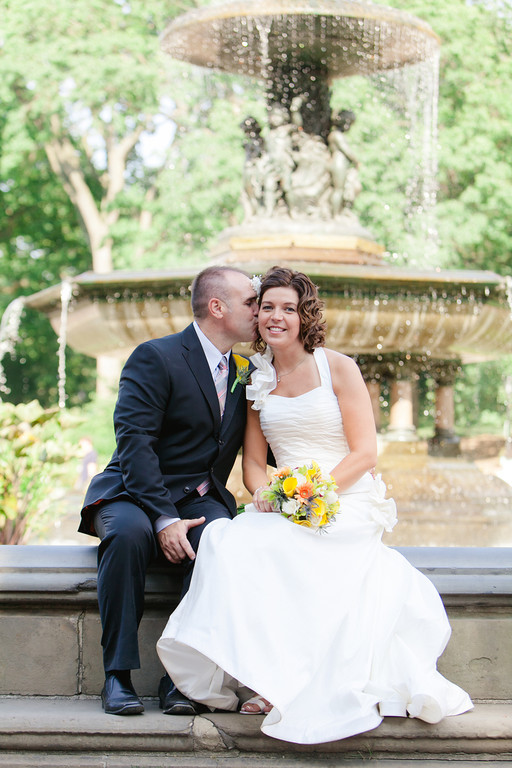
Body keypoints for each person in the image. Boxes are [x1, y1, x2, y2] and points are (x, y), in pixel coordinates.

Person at [156, 266, 473, 744]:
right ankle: (266, 677)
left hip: (346, 496)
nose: (276, 317)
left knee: (299, 549)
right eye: (267, 307)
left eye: (288, 308)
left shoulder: (338, 366)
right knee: (230, 540)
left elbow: (365, 452)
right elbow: (254, 467)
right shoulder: (255, 379)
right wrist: (267, 493)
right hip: (289, 501)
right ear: (256, 314)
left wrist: (315, 493)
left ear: (305, 316)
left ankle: (299, 683)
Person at [78, 266, 259, 716]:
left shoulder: (248, 372)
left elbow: (271, 442)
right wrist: (164, 518)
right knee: (128, 536)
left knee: (220, 540)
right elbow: (134, 443)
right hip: (133, 492)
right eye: (251, 302)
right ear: (217, 307)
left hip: (199, 496)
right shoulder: (156, 356)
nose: (260, 311)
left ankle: (181, 681)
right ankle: (117, 677)